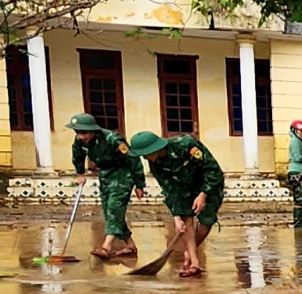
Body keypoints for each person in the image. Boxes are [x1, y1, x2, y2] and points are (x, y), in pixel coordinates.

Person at [128, 130, 224, 278]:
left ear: (154, 149)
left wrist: (203, 195)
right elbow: (170, 190)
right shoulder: (155, 165)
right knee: (186, 220)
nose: (145, 158)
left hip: (208, 183)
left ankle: (189, 252)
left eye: (145, 154)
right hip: (183, 189)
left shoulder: (185, 145)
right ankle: (194, 262)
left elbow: (213, 170)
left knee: (206, 221)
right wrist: (176, 217)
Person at [68, 112, 143, 260]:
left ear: (93, 130)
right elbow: (78, 155)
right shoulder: (79, 140)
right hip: (105, 174)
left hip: (122, 173)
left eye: (84, 133)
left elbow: (133, 160)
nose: (81, 136)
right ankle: (130, 245)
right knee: (109, 211)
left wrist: (139, 184)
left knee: (114, 207)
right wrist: (80, 173)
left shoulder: (112, 139)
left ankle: (106, 247)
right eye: (77, 132)